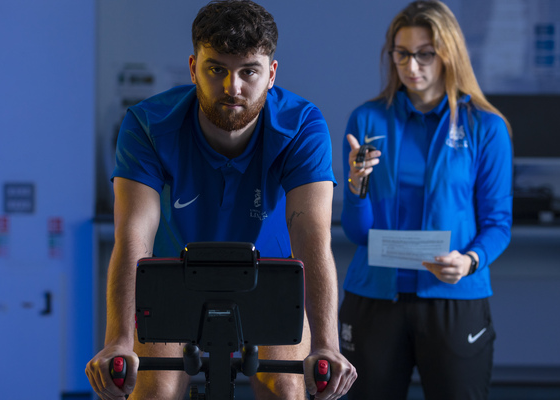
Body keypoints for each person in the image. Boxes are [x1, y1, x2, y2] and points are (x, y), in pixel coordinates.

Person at [85, 1, 356, 399]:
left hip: (271, 280)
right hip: (174, 281)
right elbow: (133, 236)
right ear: (194, 68)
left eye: (249, 71)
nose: (233, 87)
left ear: (271, 74)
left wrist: (326, 344)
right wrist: (119, 341)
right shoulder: (147, 123)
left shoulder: (302, 124)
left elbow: (312, 235)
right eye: (217, 70)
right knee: (155, 391)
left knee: (286, 387)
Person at [339, 1, 512, 399]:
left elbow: (499, 223)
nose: (411, 66)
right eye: (402, 54)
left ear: (447, 54)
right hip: (375, 296)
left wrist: (469, 261)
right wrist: (355, 187)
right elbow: (358, 233)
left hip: (453, 295)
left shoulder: (485, 126)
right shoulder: (366, 120)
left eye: (424, 54)